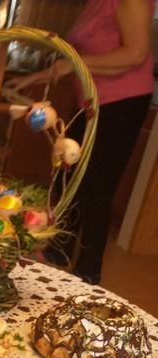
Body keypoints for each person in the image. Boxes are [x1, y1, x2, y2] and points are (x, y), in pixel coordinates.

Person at [10, 0, 155, 284]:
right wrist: (36, 77)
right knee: (69, 174)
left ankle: (89, 270)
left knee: (97, 186)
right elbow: (74, 60)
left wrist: (71, 65)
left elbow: (135, 54)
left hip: (120, 103)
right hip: (91, 100)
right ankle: (59, 251)